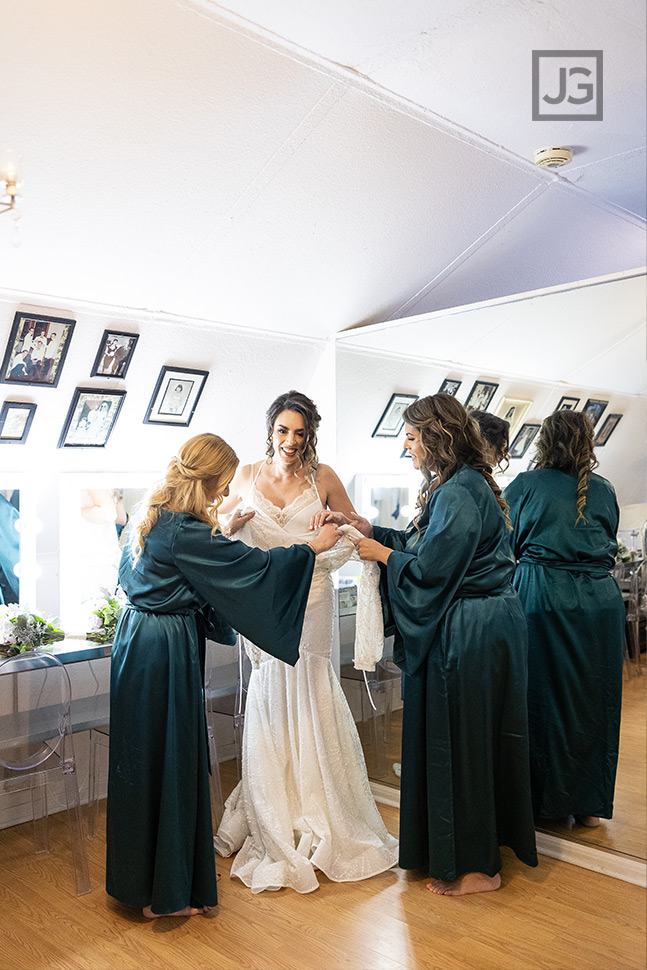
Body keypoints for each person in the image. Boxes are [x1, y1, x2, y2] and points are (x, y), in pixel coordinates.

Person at [106, 432, 341, 918]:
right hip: (166, 648)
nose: (222, 495)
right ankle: (166, 896)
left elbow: (177, 566)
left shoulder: (149, 515)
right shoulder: (186, 531)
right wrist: (311, 547)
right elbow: (251, 566)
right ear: (209, 478)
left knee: (140, 760)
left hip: (133, 642)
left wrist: (224, 528)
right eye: (221, 486)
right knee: (171, 757)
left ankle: (139, 883)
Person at [321, 393, 538, 896]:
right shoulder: (459, 485)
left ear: (436, 437)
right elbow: (430, 548)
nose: (407, 445)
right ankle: (464, 853)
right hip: (483, 625)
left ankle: (478, 868)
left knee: (462, 743)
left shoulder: (459, 491)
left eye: (413, 437)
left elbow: (434, 571)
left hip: (470, 632)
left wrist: (381, 555)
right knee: (472, 739)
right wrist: (371, 531)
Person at [214, 390, 398, 893]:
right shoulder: (247, 475)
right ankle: (274, 807)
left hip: (314, 600)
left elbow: (357, 529)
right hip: (265, 603)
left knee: (311, 689)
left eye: (299, 433)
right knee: (271, 694)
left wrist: (334, 519)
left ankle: (320, 810)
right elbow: (217, 526)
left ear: (309, 434)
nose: (290, 442)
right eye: (282, 431)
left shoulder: (323, 477)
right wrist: (230, 525)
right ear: (270, 429)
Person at [504, 410, 625, 827]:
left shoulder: (525, 485)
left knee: (540, 699)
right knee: (596, 702)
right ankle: (588, 805)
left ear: (543, 441)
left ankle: (544, 802)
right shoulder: (605, 489)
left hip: (543, 595)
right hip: (601, 602)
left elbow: (503, 539)